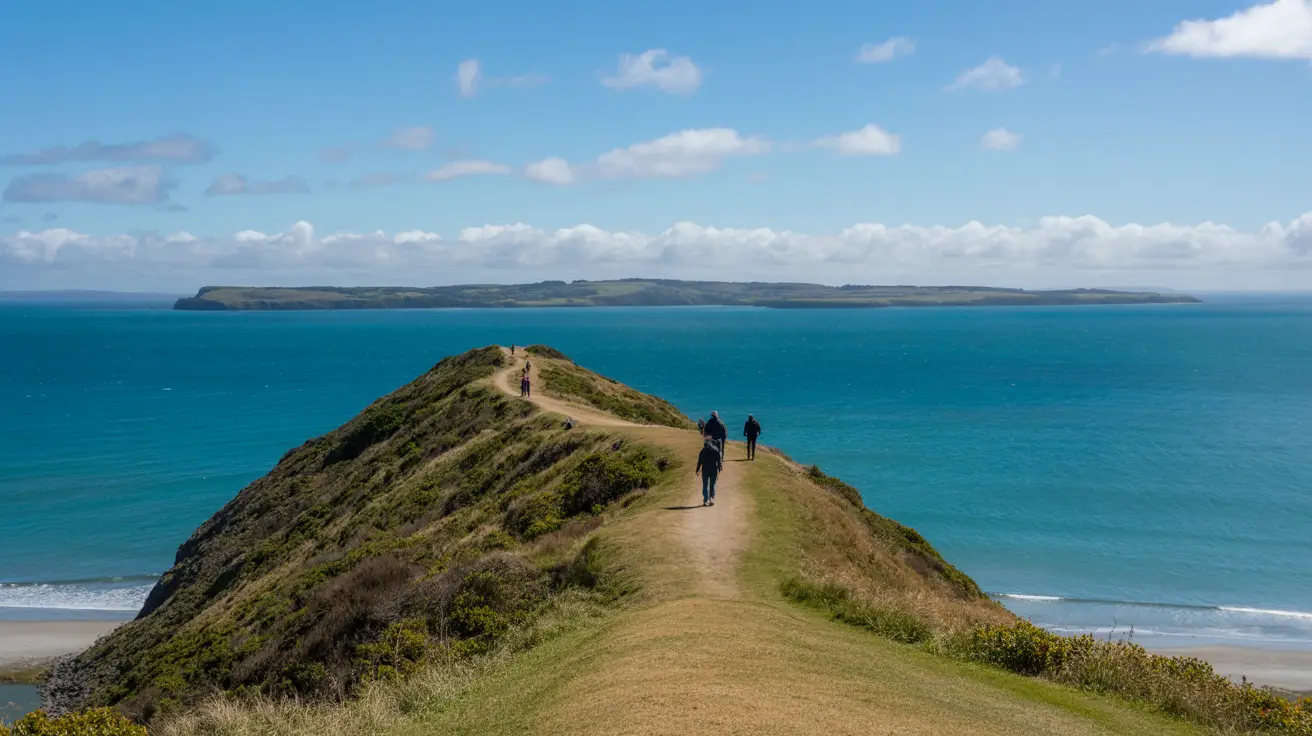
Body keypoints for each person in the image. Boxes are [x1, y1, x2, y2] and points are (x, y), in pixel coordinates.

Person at [695, 436, 723, 506]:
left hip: (705, 470)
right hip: (714, 469)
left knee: (705, 485)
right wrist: (719, 470)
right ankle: (711, 499)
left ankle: (705, 500)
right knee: (712, 485)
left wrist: (697, 469)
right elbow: (719, 461)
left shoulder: (703, 451)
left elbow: (700, 461)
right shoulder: (716, 449)